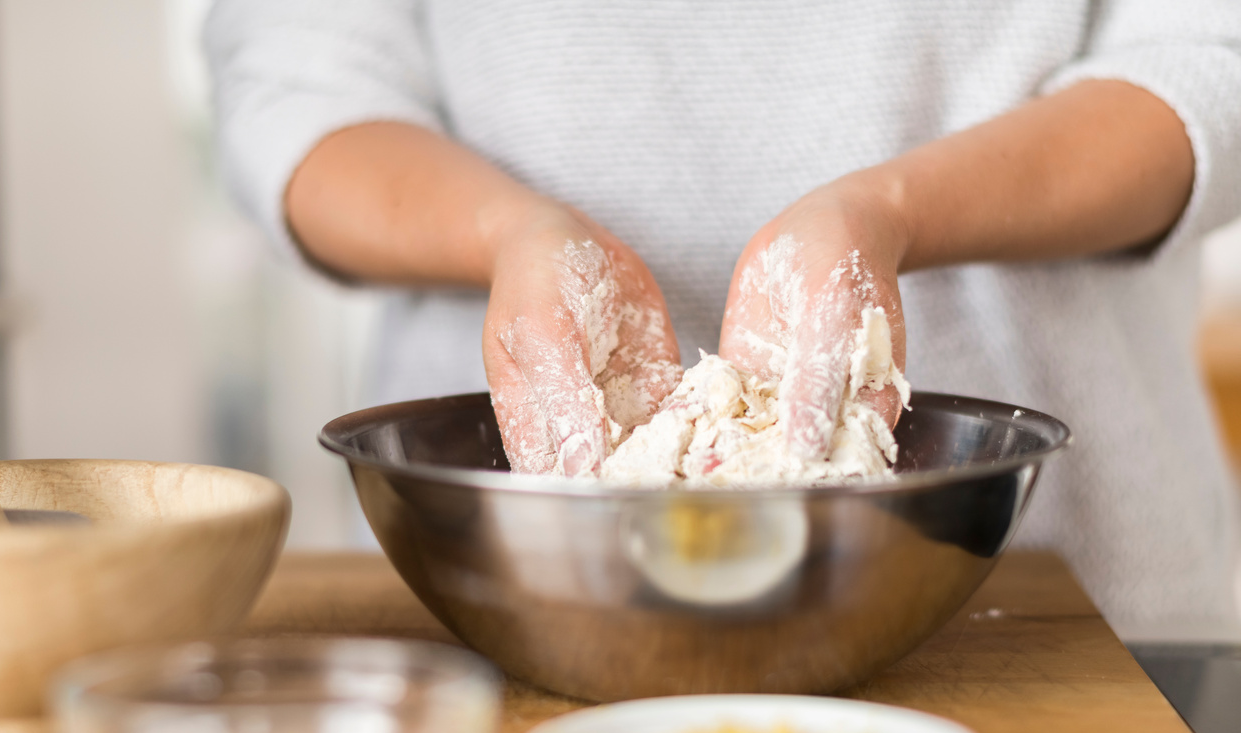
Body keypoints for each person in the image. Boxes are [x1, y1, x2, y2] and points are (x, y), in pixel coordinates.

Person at [205, 1, 1241, 642]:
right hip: (513, 597)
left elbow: (1207, 54)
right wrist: (509, 232)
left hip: (1065, 603)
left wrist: (891, 212)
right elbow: (294, 88)